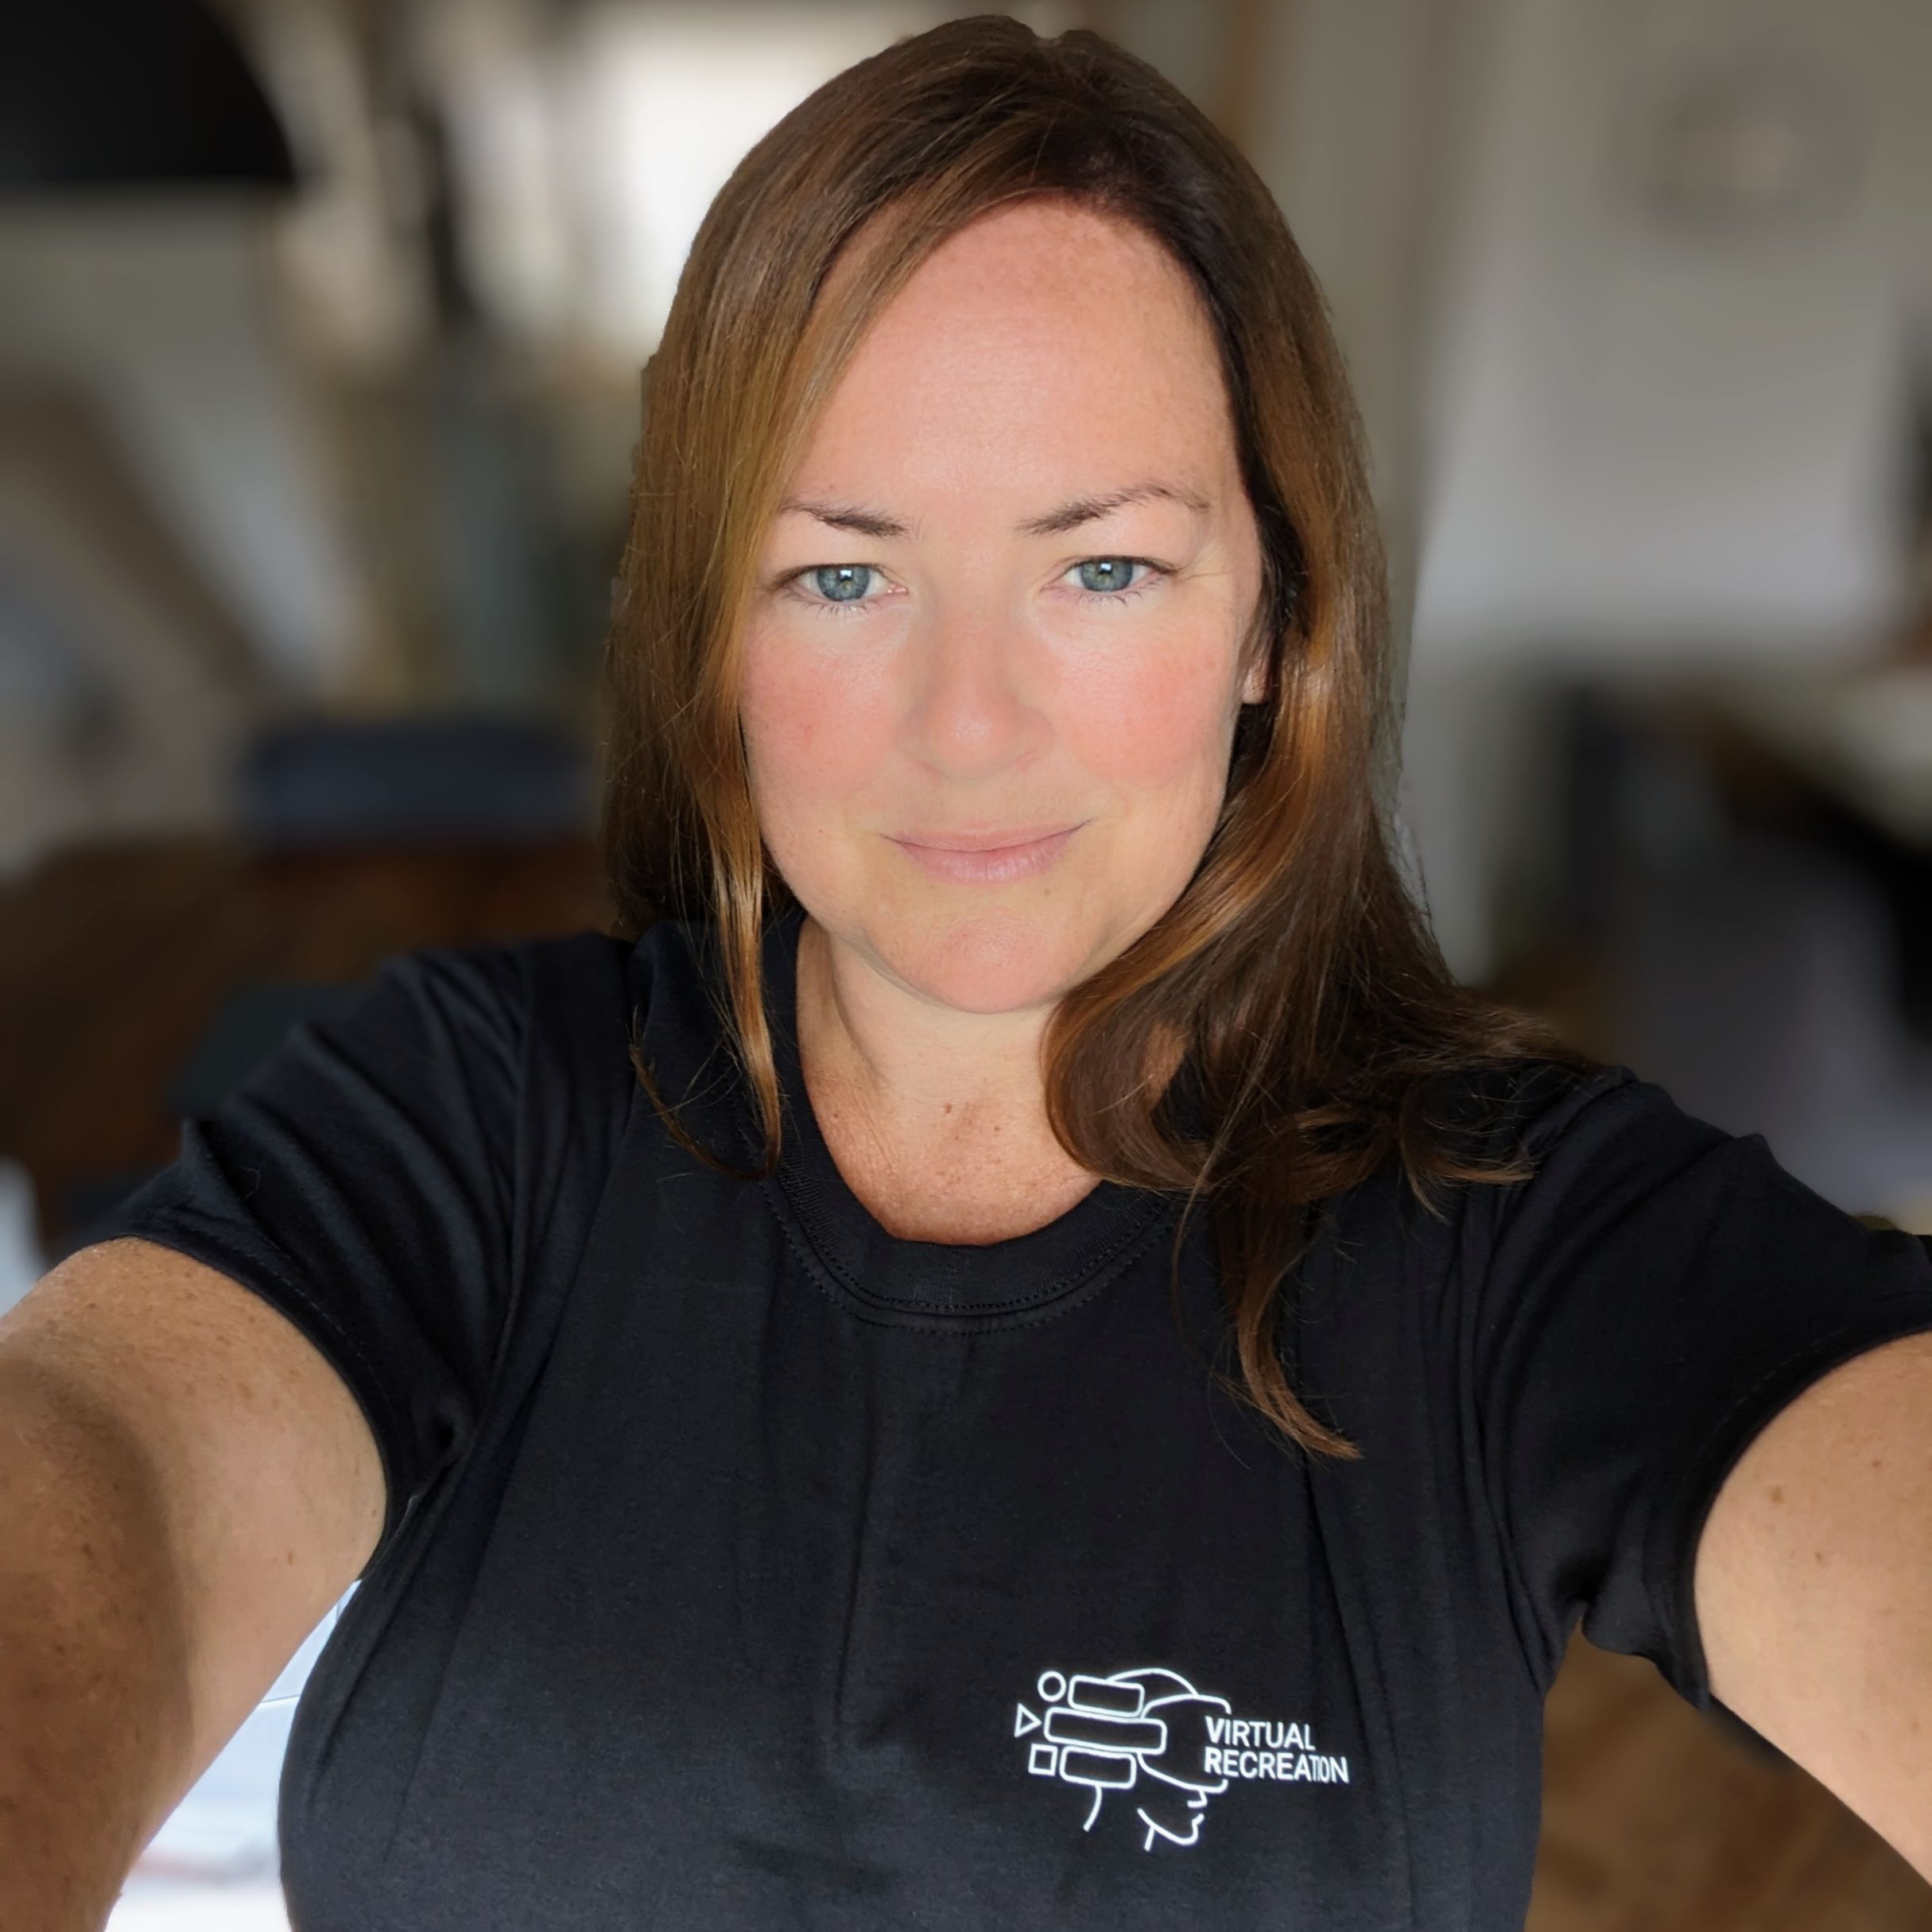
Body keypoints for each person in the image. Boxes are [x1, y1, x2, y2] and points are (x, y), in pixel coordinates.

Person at [4, 15, 1930, 1929]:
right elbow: (109, 1494)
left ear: (1274, 614)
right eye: (843, 573)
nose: (971, 727)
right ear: (715, 637)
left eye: (1103, 569)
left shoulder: (1532, 1246)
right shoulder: (465, 1114)